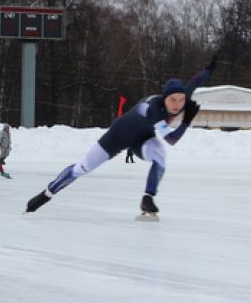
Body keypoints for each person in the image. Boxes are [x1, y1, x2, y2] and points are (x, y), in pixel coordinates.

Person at [25, 55, 216, 215]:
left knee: (160, 155)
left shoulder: (179, 98)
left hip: (142, 138)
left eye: (181, 100)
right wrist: (186, 121)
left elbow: (195, 82)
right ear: (164, 98)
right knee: (81, 168)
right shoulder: (155, 109)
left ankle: (147, 198)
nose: (177, 104)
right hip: (117, 136)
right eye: (173, 100)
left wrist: (210, 68)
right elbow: (171, 139)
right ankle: (47, 193)